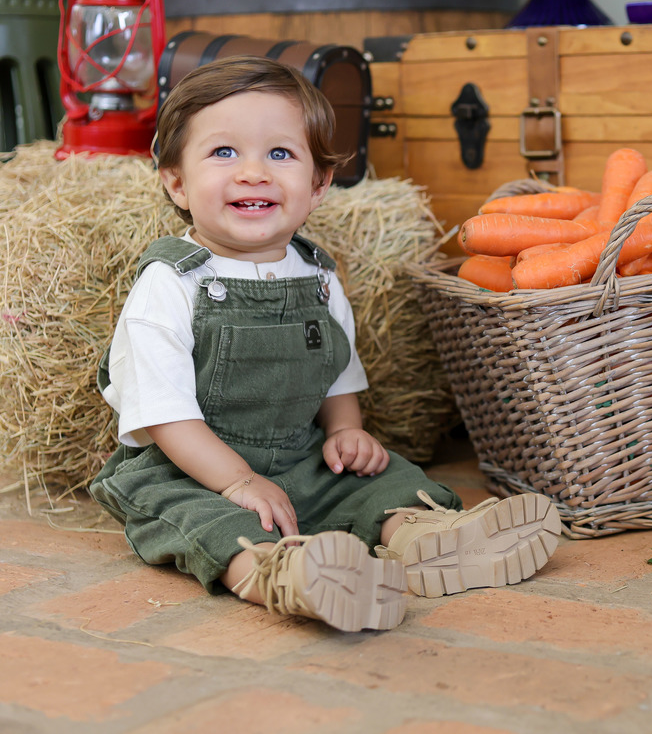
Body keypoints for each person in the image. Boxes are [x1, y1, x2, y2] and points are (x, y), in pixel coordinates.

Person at [90, 56, 561, 632]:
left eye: (280, 154)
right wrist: (237, 481)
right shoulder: (170, 283)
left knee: (382, 479)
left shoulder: (317, 275)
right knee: (202, 521)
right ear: (177, 183)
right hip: (183, 467)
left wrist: (344, 432)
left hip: (297, 454)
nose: (254, 173)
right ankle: (281, 574)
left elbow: (337, 372)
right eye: (224, 152)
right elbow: (166, 416)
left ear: (317, 186)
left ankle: (425, 537)